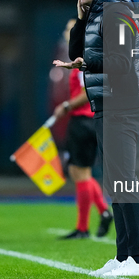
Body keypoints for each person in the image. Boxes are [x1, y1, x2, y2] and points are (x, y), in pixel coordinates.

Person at [53, 0, 139, 276]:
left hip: (122, 106)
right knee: (115, 184)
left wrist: (86, 64)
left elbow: (120, 62)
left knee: (124, 181)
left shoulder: (117, 14)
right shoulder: (98, 14)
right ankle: (123, 257)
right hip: (107, 106)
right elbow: (76, 52)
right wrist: (81, 19)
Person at [53, 20, 113, 239]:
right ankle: (103, 213)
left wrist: (67, 106)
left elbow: (88, 90)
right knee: (82, 172)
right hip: (91, 119)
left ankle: (83, 227)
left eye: (70, 30)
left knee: (80, 173)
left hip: (83, 120)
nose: (68, 34)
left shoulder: (85, 59)